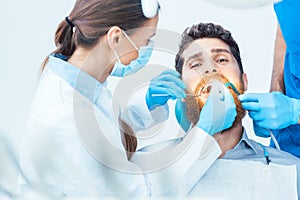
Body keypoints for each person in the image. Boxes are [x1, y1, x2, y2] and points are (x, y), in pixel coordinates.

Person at [19, 0, 224, 198]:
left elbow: (106, 132)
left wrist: (146, 105)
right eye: (146, 40)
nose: (146, 49)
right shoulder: (69, 120)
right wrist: (204, 136)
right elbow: (140, 196)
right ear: (116, 38)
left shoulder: (78, 79)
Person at [172, 22, 300, 197]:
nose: (210, 69)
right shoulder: (148, 164)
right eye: (195, 64)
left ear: (244, 82)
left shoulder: (290, 168)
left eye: (221, 60)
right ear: (182, 92)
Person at [238, 0, 300, 158]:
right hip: (290, 133)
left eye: (222, 59)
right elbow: (287, 22)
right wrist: (277, 87)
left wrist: (295, 111)